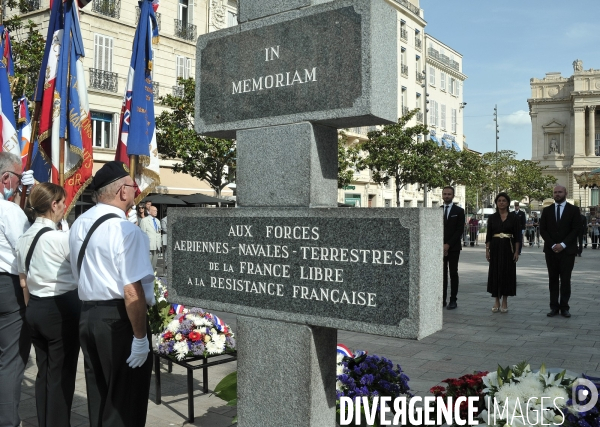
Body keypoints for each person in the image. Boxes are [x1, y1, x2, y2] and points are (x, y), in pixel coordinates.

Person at [69, 161, 155, 427]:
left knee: (99, 394)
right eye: (132, 185)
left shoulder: (79, 223)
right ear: (122, 192)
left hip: (88, 315)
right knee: (124, 403)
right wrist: (140, 338)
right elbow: (132, 291)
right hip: (119, 321)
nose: (136, 189)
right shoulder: (127, 231)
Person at [15, 183, 80, 427]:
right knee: (61, 377)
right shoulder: (60, 238)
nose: (65, 208)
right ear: (53, 205)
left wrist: (32, 310)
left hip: (35, 308)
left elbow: (23, 283)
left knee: (44, 374)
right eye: (63, 203)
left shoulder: (24, 238)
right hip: (60, 309)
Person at [0, 152, 34, 427]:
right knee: (11, 359)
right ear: (5, 178)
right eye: (17, 177)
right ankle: (7, 420)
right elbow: (25, 251)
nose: (19, 183)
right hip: (7, 287)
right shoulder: (9, 210)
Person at [539, 185, 580, 318]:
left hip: (567, 251)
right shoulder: (547, 210)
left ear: (565, 193)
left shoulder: (573, 210)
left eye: (560, 192)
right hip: (551, 251)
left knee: (566, 279)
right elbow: (543, 230)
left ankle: (564, 307)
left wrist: (563, 244)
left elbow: (575, 230)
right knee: (553, 279)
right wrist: (552, 245)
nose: (557, 194)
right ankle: (554, 307)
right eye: (555, 192)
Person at [485, 193, 520, 313]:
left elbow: (517, 236)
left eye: (504, 200)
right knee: (495, 273)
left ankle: (505, 300)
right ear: (496, 203)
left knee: (507, 273)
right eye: (499, 200)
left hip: (508, 247)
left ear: (508, 203)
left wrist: (516, 252)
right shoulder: (492, 218)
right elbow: (488, 235)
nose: (501, 203)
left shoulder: (514, 218)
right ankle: (496, 300)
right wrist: (487, 250)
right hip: (495, 247)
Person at [442, 186, 465, 310]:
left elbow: (459, 230)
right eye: (445, 194)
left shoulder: (459, 211)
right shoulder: (437, 211)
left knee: (453, 273)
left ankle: (453, 300)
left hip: (454, 247)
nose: (446, 196)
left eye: (449, 194)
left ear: (453, 196)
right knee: (442, 274)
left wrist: (448, 244)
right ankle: (442, 299)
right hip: (440, 248)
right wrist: (441, 245)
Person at [140, 205, 162, 271]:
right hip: (149, 246)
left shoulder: (157, 221)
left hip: (157, 246)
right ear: (149, 211)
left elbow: (158, 232)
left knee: (153, 265)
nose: (156, 212)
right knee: (147, 265)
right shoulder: (144, 221)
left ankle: (153, 279)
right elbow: (142, 234)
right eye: (154, 211)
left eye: (156, 211)